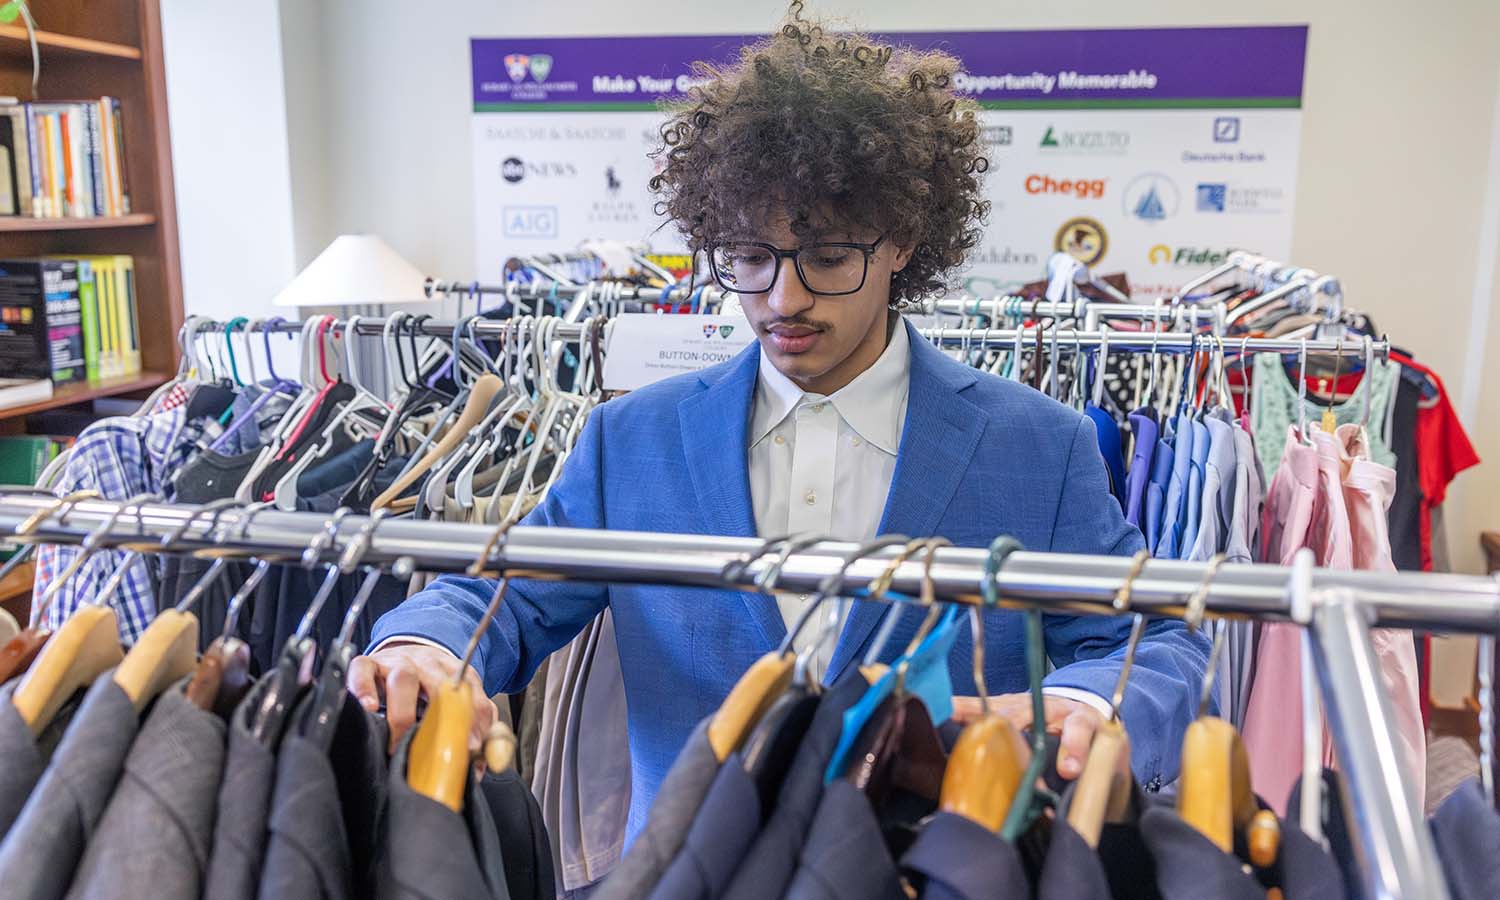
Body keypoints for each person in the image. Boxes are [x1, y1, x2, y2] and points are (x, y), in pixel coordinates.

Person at [349, 10, 1209, 841]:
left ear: (904, 241)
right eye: (750, 258)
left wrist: (1086, 701)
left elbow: (1154, 640)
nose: (783, 299)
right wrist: (427, 645)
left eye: (828, 258)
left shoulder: (1040, 447)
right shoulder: (631, 442)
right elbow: (500, 598)